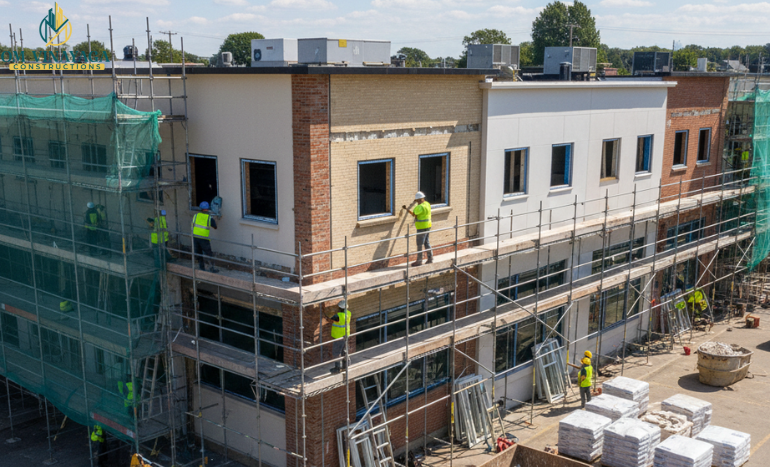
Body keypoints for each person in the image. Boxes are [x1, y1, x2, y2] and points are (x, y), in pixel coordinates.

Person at [404, 191, 433, 267]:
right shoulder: (427, 204)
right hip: (428, 225)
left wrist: (408, 210)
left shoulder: (419, 207)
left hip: (421, 227)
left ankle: (419, 261)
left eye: (417, 201)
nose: (416, 202)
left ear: (419, 200)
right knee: (427, 242)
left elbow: (414, 214)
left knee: (419, 244)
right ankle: (430, 258)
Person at [192, 202, 219, 272]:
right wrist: (215, 218)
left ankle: (202, 268)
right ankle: (212, 268)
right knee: (209, 253)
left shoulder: (196, 215)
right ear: (208, 208)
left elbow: (192, 225)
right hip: (203, 239)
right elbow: (215, 227)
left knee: (198, 253)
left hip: (195, 237)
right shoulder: (209, 218)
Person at [327, 300, 351, 374]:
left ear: (340, 308)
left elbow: (329, 319)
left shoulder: (339, 316)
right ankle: (346, 365)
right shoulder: (348, 313)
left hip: (339, 336)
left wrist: (326, 314)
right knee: (344, 351)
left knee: (336, 352)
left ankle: (338, 368)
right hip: (345, 335)